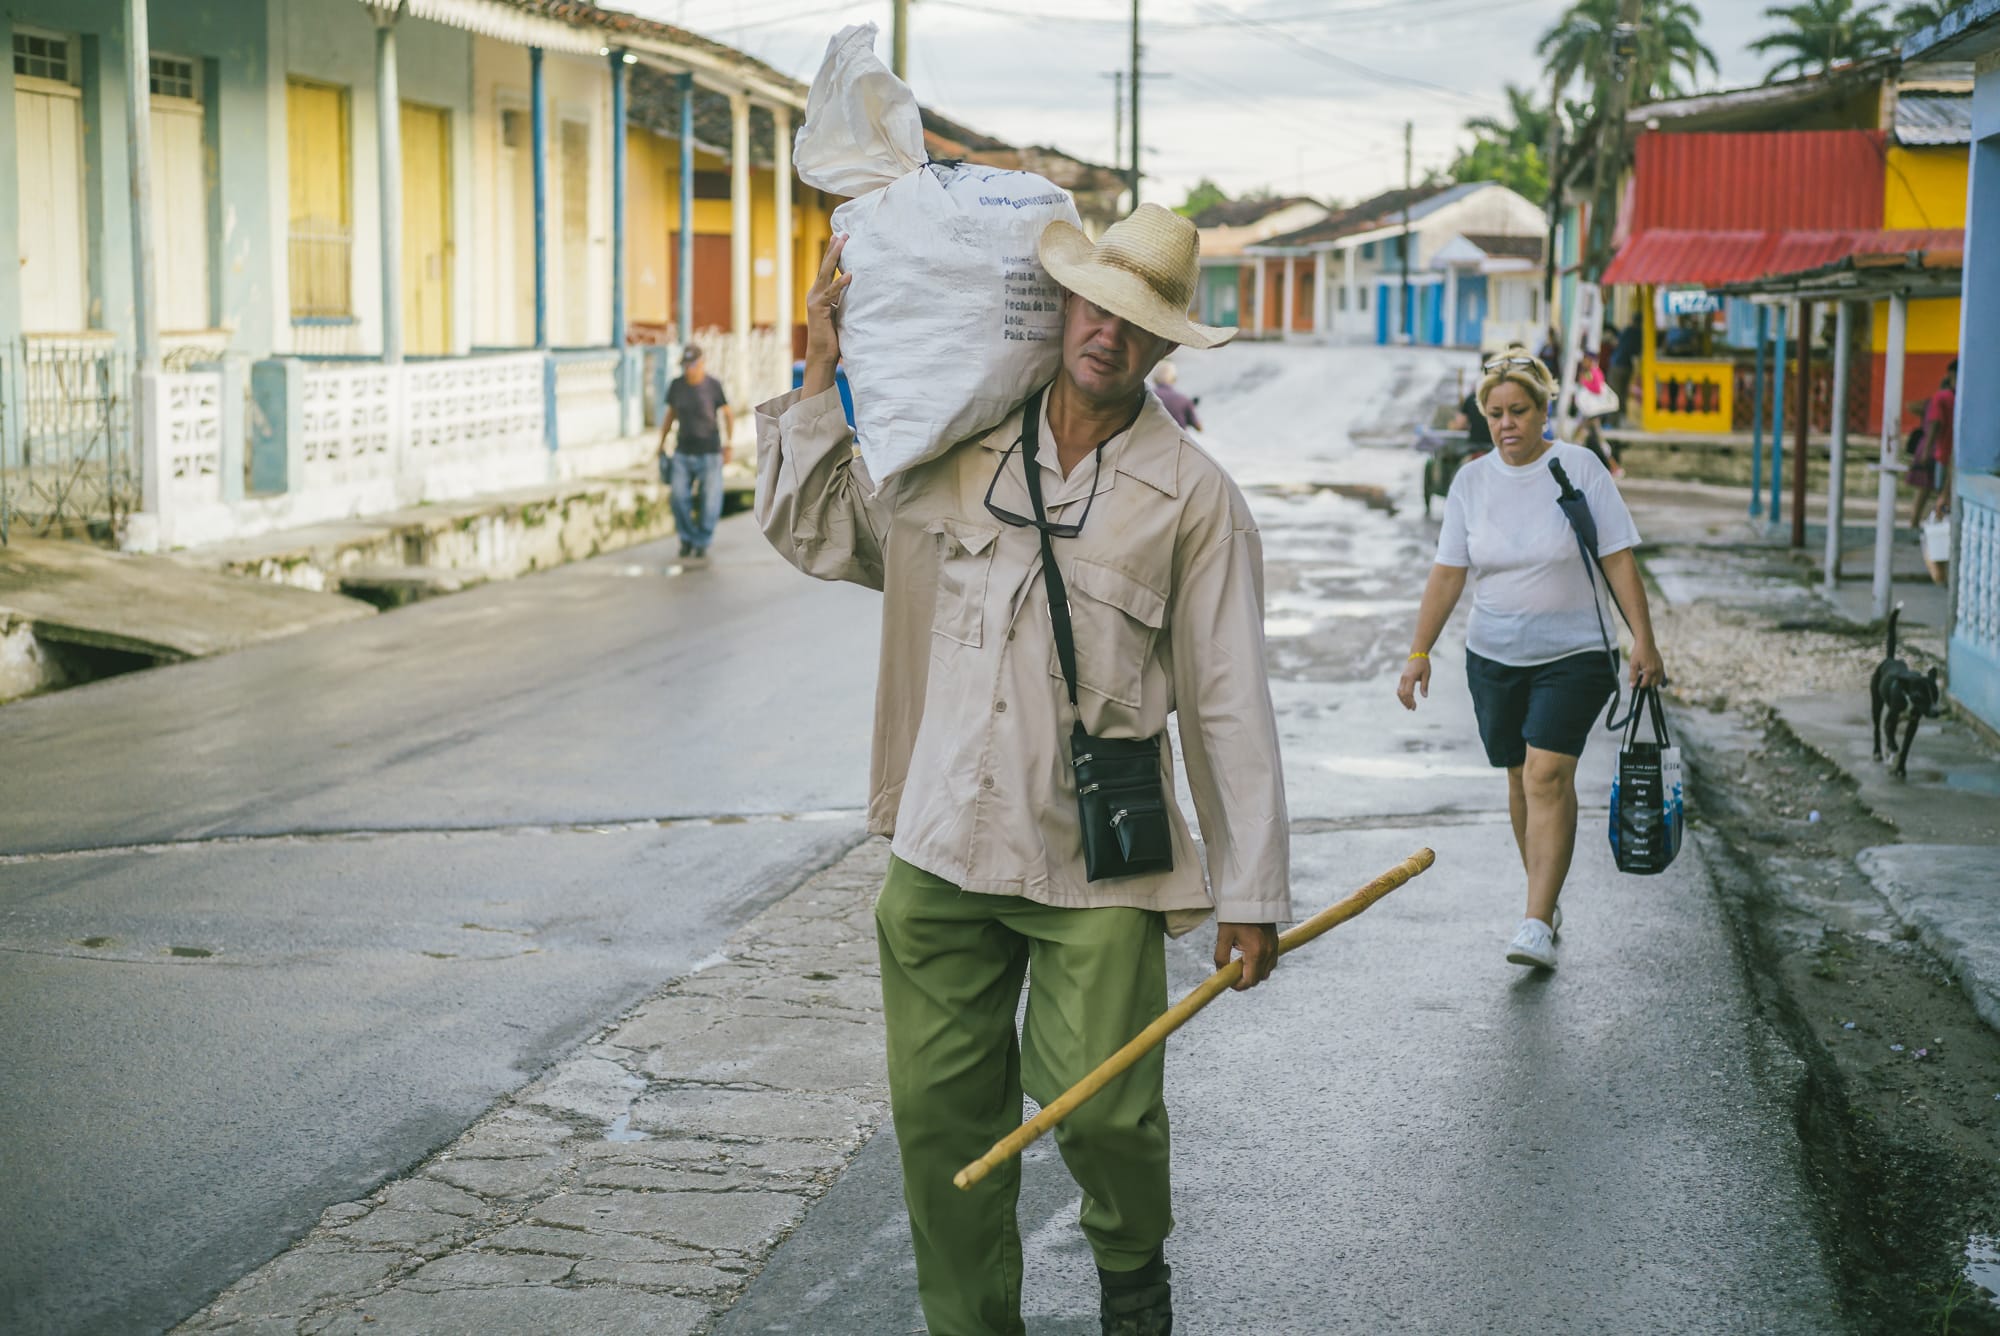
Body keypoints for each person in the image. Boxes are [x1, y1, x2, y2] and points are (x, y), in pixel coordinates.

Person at [755, 205, 1289, 1336]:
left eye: (1137, 322)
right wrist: (821, 366)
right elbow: (820, 529)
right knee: (940, 1129)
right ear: (1062, 305)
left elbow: (1229, 703)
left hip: (1095, 862)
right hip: (941, 845)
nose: (1109, 334)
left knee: (1104, 1113)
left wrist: (1250, 892)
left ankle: (1132, 1269)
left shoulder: (1196, 500)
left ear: (1163, 345)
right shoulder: (960, 447)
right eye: (1096, 305)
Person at [1396, 352, 1665, 971]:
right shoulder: (1471, 482)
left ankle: (1536, 921)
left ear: (1545, 410)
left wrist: (1643, 640)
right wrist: (1419, 652)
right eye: (1494, 414)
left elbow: (1618, 557)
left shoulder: (1580, 468)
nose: (1506, 424)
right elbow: (1448, 573)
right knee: (1520, 778)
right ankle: (1543, 896)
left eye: (1518, 411)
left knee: (1547, 775)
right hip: (1494, 657)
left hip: (1575, 653)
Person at [657, 344, 735, 559]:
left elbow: (728, 414)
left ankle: (702, 540)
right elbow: (671, 415)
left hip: (710, 452)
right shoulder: (677, 386)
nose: (689, 369)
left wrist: (729, 444)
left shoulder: (713, 386)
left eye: (692, 365)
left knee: (710, 501)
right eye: (685, 365)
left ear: (702, 363)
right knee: (678, 497)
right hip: (683, 451)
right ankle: (687, 538)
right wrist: (661, 443)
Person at [1906, 359, 1957, 530]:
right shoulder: (1953, 398)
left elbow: (1935, 423)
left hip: (1938, 450)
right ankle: (1936, 521)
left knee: (1928, 489)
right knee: (1941, 491)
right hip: (1946, 451)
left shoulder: (1940, 398)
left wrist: (1927, 449)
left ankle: (1919, 521)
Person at [1150, 360, 1201, 430]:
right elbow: (1199, 428)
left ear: (1154, 379)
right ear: (1174, 379)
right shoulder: (1183, 400)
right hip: (1176, 437)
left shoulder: (1146, 398)